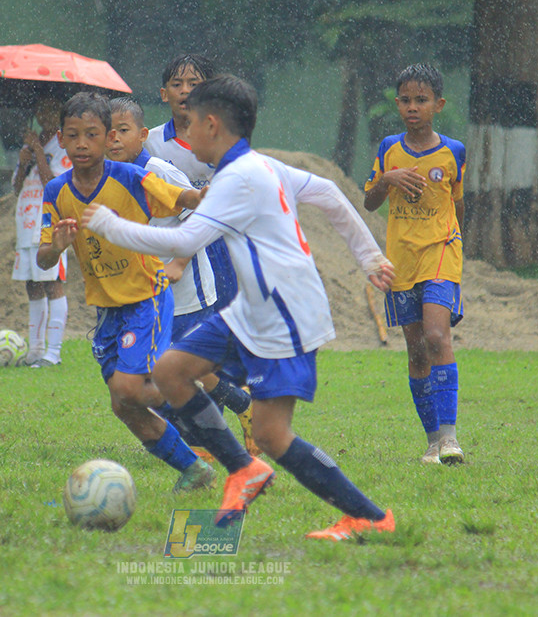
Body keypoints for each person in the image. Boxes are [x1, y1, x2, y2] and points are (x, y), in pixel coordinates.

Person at [83, 75, 397, 541]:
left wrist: (111, 225)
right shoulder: (261, 165)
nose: (184, 135)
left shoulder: (239, 177)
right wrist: (369, 256)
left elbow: (186, 239)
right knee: (170, 370)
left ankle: (370, 517)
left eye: (189, 125)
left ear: (213, 125)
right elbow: (330, 194)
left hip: (285, 313)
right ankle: (243, 468)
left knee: (273, 434)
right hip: (253, 308)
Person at [37, 91, 214, 493]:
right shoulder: (56, 193)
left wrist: (203, 196)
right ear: (61, 139)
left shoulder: (132, 179)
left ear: (106, 139)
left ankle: (198, 401)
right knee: (123, 406)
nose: (82, 143)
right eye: (73, 135)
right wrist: (59, 245)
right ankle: (194, 469)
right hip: (107, 312)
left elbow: (181, 197)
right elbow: (45, 259)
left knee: (128, 388)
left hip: (146, 297)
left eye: (93, 134)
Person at [107, 97, 258, 458]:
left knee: (176, 369)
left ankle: (204, 441)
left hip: (187, 287)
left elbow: (203, 216)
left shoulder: (159, 171)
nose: (113, 140)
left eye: (123, 131)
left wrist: (177, 262)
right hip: (146, 291)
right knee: (166, 368)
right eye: (107, 133)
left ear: (143, 135)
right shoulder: (106, 176)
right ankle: (241, 405)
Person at [362, 63, 466, 466]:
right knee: (417, 349)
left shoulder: (453, 151)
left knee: (438, 336)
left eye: (421, 100)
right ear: (397, 104)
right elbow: (370, 201)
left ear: (438, 105)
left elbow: (457, 204)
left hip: (440, 253)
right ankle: (432, 441)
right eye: (405, 100)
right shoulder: (389, 147)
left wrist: (459, 247)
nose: (412, 107)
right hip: (401, 259)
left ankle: (451, 439)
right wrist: (388, 179)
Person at [145, 53, 238, 311]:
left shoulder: (224, 141)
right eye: (177, 84)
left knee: (223, 322)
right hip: (170, 244)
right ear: (164, 94)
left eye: (194, 84)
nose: (185, 91)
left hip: (216, 244)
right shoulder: (149, 143)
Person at [13, 96, 69, 367]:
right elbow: (16, 188)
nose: (45, 113)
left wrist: (37, 152)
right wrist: (24, 162)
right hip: (25, 222)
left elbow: (53, 184)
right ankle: (35, 350)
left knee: (52, 283)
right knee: (32, 286)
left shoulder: (62, 145)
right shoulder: (30, 144)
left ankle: (53, 353)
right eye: (41, 108)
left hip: (47, 222)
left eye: (51, 107)